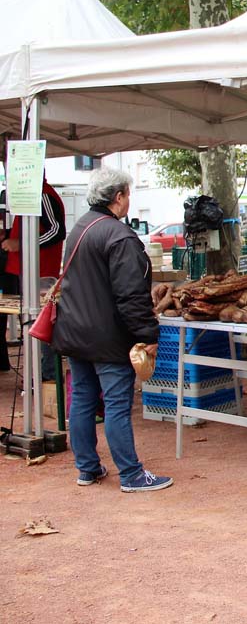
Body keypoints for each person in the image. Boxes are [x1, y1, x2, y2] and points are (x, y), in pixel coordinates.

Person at [52, 167, 172, 492]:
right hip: (107, 336)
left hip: (75, 331)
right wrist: (147, 335)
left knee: (83, 398)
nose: (129, 200)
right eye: (128, 194)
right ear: (118, 197)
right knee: (117, 404)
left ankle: (87, 469)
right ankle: (131, 474)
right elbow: (131, 296)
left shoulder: (80, 228)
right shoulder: (119, 236)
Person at [1, 175, 66, 380]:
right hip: (29, 268)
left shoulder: (43, 194)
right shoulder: (31, 195)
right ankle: (41, 372)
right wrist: (9, 234)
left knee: (42, 319)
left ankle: (48, 373)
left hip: (41, 271)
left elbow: (57, 230)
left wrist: (21, 243)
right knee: (33, 321)